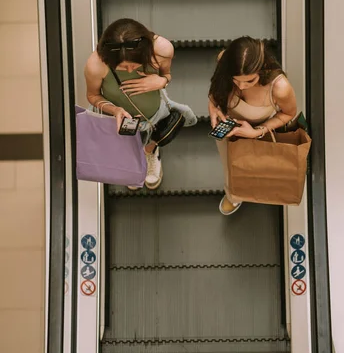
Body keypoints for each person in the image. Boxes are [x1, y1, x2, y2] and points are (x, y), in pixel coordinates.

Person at [85, 18, 196, 190]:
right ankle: (132, 158)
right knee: (125, 142)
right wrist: (114, 110)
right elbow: (93, 96)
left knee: (156, 134)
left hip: (154, 112)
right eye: (123, 68)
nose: (130, 71)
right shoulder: (96, 65)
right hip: (119, 120)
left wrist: (161, 81)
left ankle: (150, 151)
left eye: (135, 65)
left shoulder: (162, 50)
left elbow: (167, 74)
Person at [208, 36, 297, 215]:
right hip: (229, 130)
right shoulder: (224, 61)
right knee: (230, 168)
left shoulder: (279, 87)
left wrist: (256, 132)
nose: (241, 86)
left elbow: (288, 113)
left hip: (257, 134)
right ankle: (234, 196)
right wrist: (213, 107)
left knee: (255, 168)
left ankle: (247, 191)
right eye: (236, 80)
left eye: (249, 81)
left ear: (262, 70)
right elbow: (215, 87)